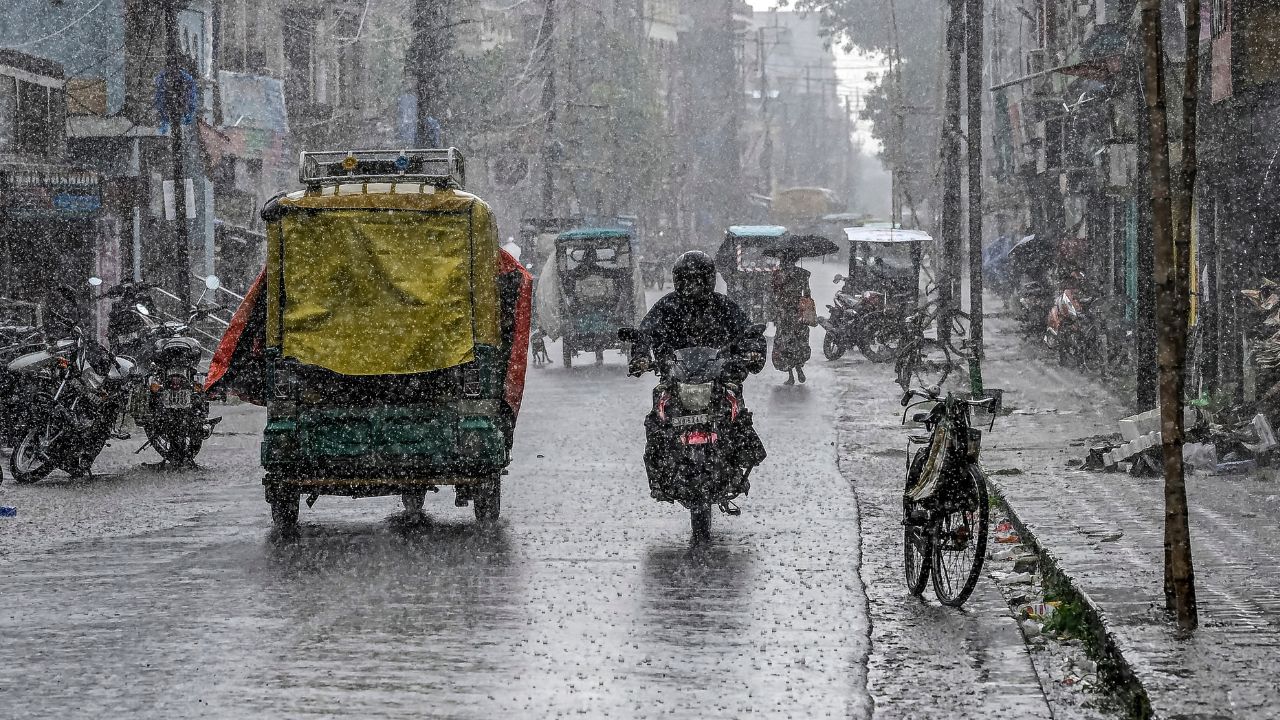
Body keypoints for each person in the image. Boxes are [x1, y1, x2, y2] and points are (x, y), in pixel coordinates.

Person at [629, 251, 767, 498]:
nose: (693, 286)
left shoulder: (724, 306)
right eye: (688, 280)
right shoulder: (667, 306)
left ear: (709, 280)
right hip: (676, 378)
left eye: (699, 280)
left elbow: (749, 332)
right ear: (678, 280)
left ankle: (739, 464)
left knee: (738, 414)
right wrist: (641, 357)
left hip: (717, 378)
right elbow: (644, 332)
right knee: (657, 421)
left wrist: (753, 352)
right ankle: (659, 477)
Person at [771, 251, 813, 385]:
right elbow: (807, 294)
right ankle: (799, 367)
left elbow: (774, 294)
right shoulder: (803, 274)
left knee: (785, 344)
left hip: (784, 314)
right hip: (798, 313)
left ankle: (791, 375)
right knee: (799, 342)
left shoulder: (778, 274)